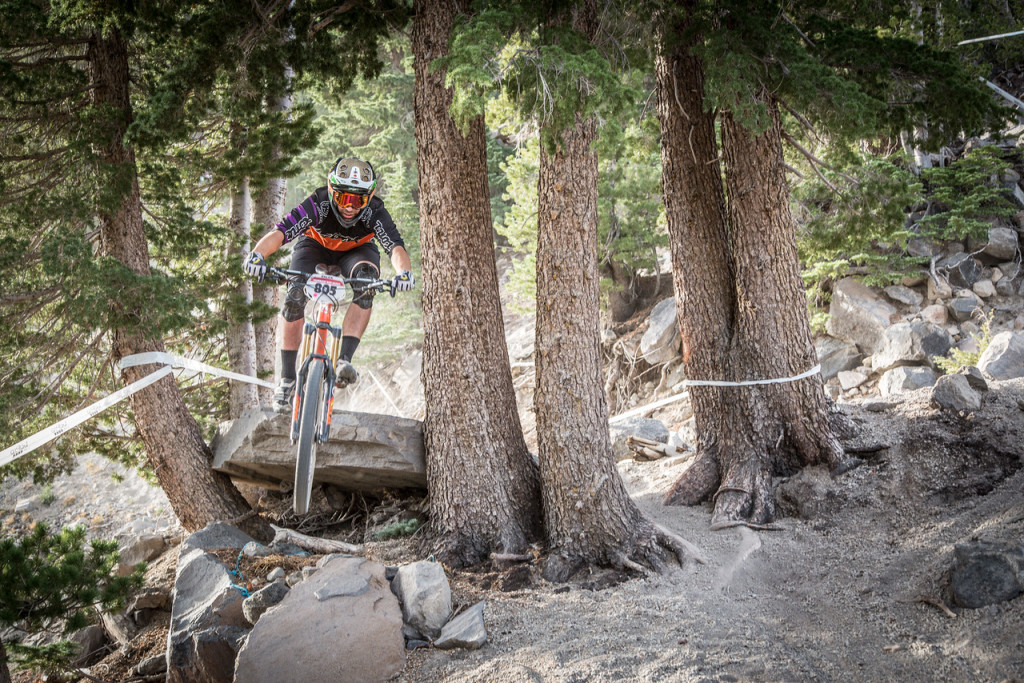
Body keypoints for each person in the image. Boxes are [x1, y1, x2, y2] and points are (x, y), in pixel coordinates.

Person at [242, 156, 414, 412]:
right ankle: (287, 379)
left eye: (358, 200)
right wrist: (257, 256)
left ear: (369, 197)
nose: (350, 206)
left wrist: (404, 273)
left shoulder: (375, 212)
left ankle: (344, 360)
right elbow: (282, 232)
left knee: (366, 283)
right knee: (295, 295)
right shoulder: (318, 203)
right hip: (314, 247)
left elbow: (394, 246)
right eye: (343, 197)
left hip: (356, 253)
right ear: (332, 190)